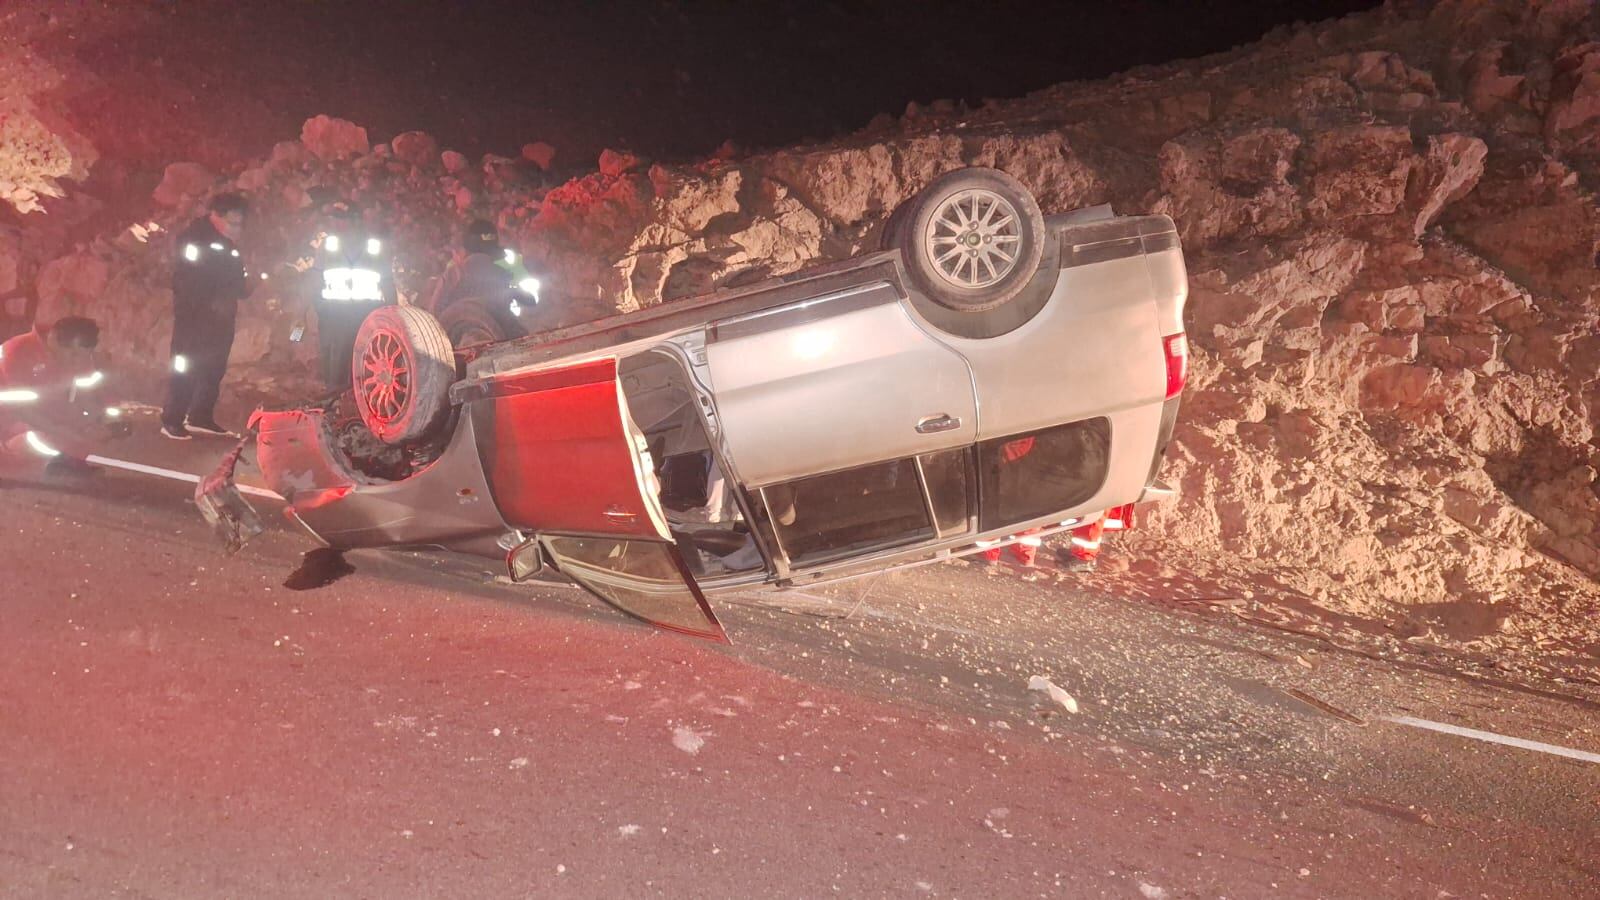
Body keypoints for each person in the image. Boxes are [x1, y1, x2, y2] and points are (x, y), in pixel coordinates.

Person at [161, 193, 252, 440]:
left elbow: (237, 280)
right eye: (233, 222)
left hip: (221, 318)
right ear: (215, 216)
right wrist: (214, 301)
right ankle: (172, 418)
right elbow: (188, 280)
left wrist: (245, 289)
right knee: (185, 366)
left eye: (240, 223)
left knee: (214, 367)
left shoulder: (228, 244)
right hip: (194, 317)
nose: (238, 229)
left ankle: (201, 415)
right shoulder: (192, 240)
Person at [0, 315, 108, 474]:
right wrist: (64, 432)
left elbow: (87, 397)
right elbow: (20, 410)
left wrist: (96, 421)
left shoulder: (78, 354)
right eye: (73, 355)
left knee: (79, 434)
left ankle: (65, 460)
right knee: (47, 440)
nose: (78, 362)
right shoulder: (18, 350)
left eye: (85, 355)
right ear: (53, 340)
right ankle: (8, 454)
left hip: (39, 414)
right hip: (9, 417)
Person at [308, 195, 395, 389]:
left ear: (355, 220)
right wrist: (317, 306)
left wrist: (391, 316)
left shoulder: (376, 248)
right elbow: (315, 280)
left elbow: (388, 284)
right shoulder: (327, 246)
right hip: (334, 314)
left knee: (367, 364)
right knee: (334, 363)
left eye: (342, 218)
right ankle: (335, 402)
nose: (337, 223)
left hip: (366, 314)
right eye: (335, 218)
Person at [424, 218, 540, 342]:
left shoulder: (454, 273)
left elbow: (434, 313)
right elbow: (530, 301)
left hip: (456, 344)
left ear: (466, 247)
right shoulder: (502, 274)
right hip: (499, 339)